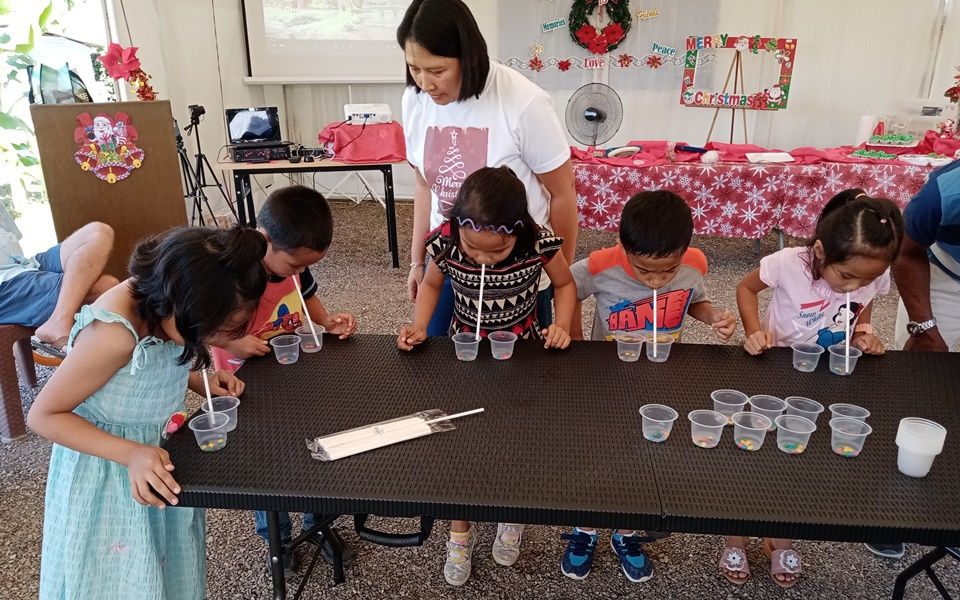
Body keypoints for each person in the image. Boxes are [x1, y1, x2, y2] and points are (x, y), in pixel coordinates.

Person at [27, 225, 267, 599]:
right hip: (107, 474)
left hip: (150, 458)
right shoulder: (113, 336)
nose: (209, 341)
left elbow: (147, 363)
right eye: (205, 333)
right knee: (118, 577)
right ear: (178, 306)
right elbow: (43, 415)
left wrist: (197, 378)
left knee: (158, 566)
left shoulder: (161, 297)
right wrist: (131, 453)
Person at [397, 166, 575, 586]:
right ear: (458, 224)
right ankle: (460, 531)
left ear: (518, 231)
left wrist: (563, 324)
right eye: (473, 248)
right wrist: (421, 325)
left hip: (524, 355)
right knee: (461, 444)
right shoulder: (445, 241)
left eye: (494, 252)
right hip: (465, 354)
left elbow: (565, 285)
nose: (481, 258)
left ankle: (510, 516)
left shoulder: (539, 242)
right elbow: (433, 286)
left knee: (516, 440)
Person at [561, 190, 735, 584]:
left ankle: (626, 531)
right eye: (644, 271)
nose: (656, 280)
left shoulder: (692, 267)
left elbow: (694, 301)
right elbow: (565, 285)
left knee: (645, 456)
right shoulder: (601, 266)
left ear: (685, 250)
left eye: (666, 271)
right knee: (597, 451)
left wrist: (713, 318)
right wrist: (571, 332)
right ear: (624, 247)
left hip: (663, 374)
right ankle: (584, 528)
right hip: (607, 376)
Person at [731, 189, 903, 587]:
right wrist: (754, 332)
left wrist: (863, 330)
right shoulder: (788, 263)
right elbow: (744, 288)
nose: (852, 287)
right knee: (756, 453)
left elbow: (867, 300)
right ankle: (736, 532)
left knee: (801, 458)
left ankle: (781, 537)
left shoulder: (870, 275)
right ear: (822, 251)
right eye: (846, 276)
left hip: (831, 376)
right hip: (775, 371)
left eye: (867, 279)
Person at [398, 0, 577, 336]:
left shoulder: (523, 102)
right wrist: (417, 262)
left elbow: (562, 193)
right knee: (438, 358)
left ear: (469, 57)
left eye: (437, 71)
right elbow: (425, 187)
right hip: (451, 255)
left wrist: (550, 276)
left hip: (516, 264)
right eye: (414, 68)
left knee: (525, 368)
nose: (425, 83)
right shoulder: (415, 100)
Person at [211, 185, 357, 574]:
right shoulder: (233, 273)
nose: (302, 272)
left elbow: (308, 297)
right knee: (264, 459)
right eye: (295, 264)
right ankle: (276, 537)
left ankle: (318, 523)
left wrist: (327, 321)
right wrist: (234, 342)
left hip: (297, 371)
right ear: (266, 241)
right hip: (244, 379)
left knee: (316, 444)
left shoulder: (296, 269)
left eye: (309, 265)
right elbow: (203, 327)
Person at [869, 159, 960, 560]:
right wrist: (925, 328)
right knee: (920, 383)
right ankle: (894, 512)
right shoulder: (948, 189)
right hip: (944, 274)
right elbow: (907, 252)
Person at [0, 203, 117, 355]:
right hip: (5, 284)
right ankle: (60, 323)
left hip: (24, 264)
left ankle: (58, 320)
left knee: (98, 231)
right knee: (107, 288)